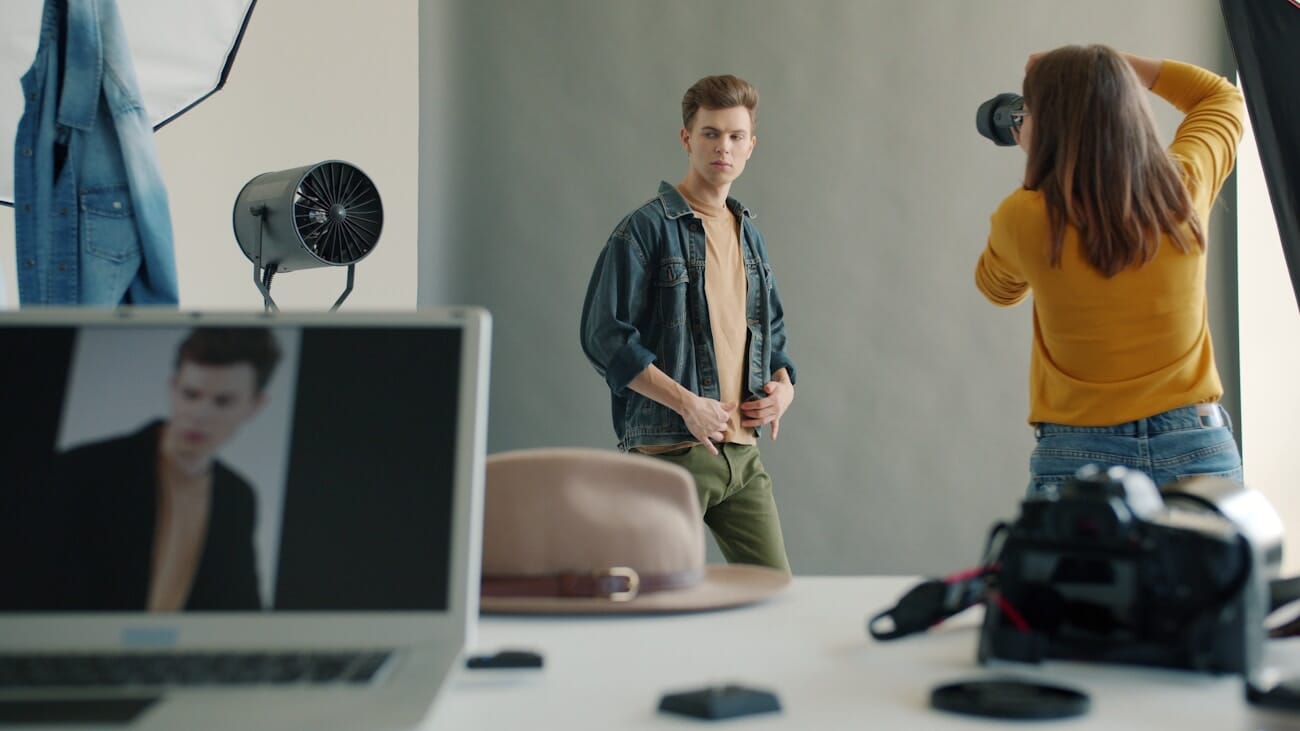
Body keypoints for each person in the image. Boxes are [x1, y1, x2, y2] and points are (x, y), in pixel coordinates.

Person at [974, 46, 1246, 494]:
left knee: (1074, 567)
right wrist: (1114, 66)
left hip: (1078, 451)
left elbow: (998, 289)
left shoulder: (1023, 215)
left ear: (1041, 127)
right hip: (1194, 442)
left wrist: (1041, 174)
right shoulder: (1184, 187)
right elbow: (1220, 98)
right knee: (1206, 566)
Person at [581, 74, 796, 573]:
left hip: (741, 458)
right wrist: (687, 404)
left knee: (773, 593)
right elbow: (603, 337)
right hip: (670, 455)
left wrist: (785, 388)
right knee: (647, 601)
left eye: (736, 136)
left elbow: (773, 334)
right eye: (711, 133)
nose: (724, 146)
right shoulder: (646, 229)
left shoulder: (750, 237)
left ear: (750, 146)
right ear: (687, 138)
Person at [17, 328, 281, 611]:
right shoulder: (84, 469)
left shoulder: (237, 497)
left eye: (222, 401)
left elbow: (241, 610)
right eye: (191, 394)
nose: (200, 414)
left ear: (255, 406)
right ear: (172, 388)